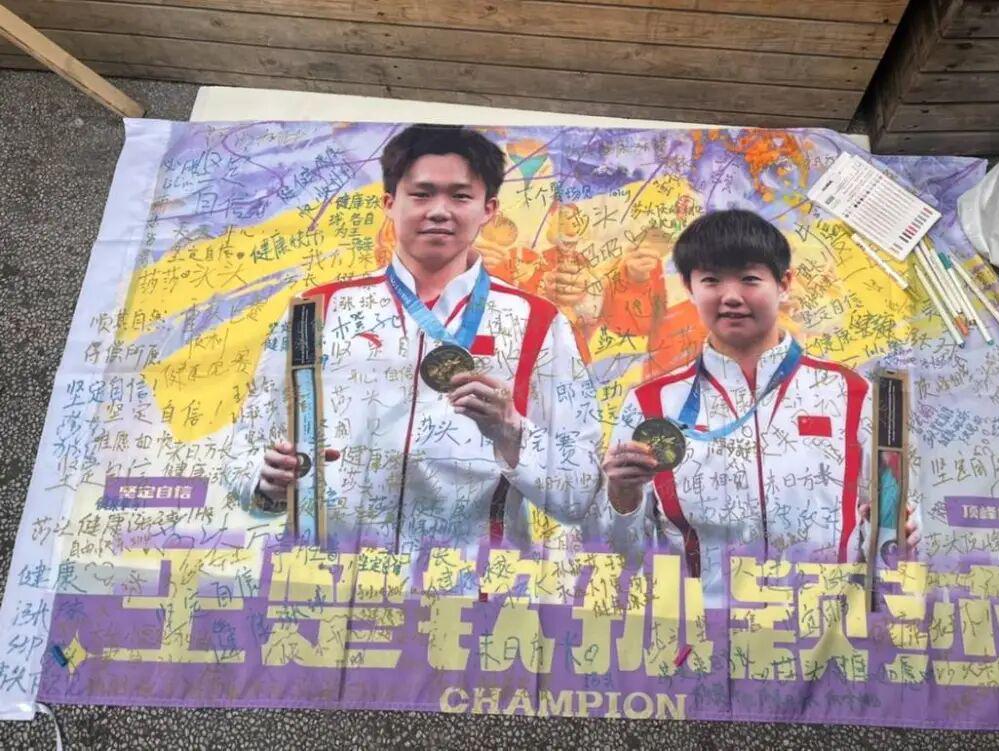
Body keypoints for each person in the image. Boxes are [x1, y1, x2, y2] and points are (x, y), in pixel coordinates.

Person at [228, 124, 603, 565]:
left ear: (488, 209)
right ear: (389, 203)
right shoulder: (316, 311)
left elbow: (578, 495)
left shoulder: (539, 323)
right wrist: (267, 484)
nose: (439, 211)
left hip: (469, 584)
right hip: (326, 575)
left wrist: (511, 431)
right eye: (421, 194)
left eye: (460, 196)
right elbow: (247, 450)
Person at [601, 209, 918, 604]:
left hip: (828, 629)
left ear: (784, 283)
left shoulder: (851, 392)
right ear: (689, 287)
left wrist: (901, 534)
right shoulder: (650, 404)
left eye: (750, 279)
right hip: (704, 630)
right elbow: (622, 553)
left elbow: (894, 519)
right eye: (711, 280)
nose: (731, 297)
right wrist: (622, 496)